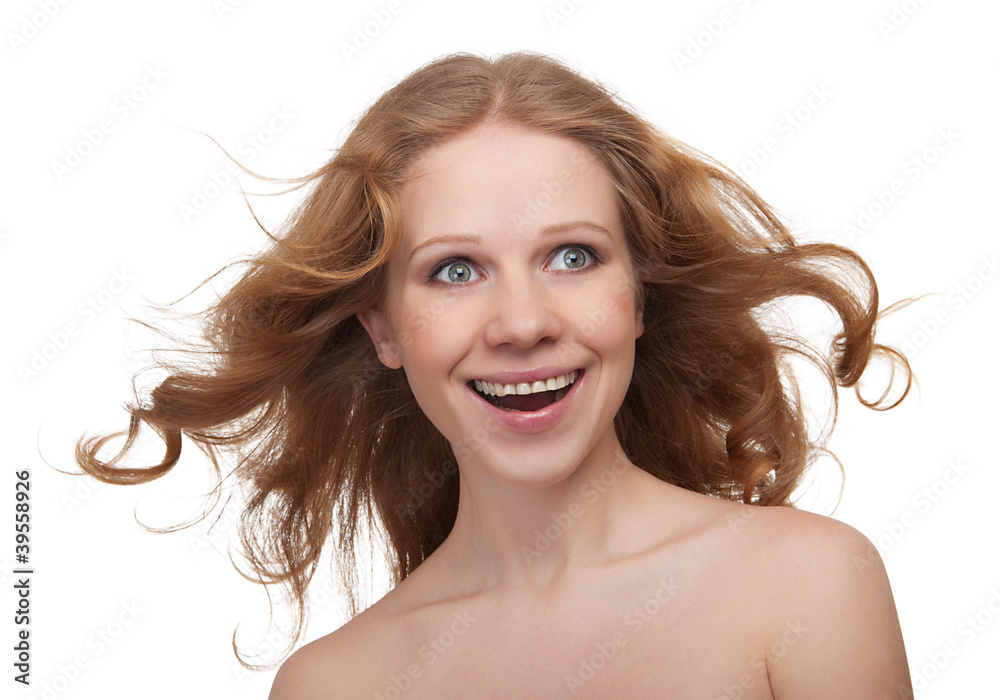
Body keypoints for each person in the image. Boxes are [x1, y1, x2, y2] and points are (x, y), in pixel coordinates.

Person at [77, 52, 914, 697]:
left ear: (639, 297)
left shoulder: (808, 585)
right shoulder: (333, 685)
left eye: (573, 256)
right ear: (382, 327)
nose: (522, 323)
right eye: (455, 270)